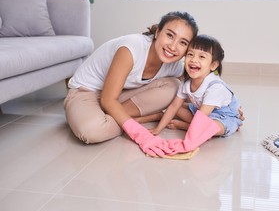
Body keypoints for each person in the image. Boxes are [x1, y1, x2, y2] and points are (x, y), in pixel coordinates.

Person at [64, 11, 199, 147]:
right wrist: (140, 134)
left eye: (183, 43)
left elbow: (190, 92)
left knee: (175, 85)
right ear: (157, 33)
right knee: (92, 131)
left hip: (121, 94)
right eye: (170, 35)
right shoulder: (131, 48)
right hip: (86, 92)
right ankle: (145, 118)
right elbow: (107, 99)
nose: (173, 47)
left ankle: (115, 116)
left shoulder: (174, 65)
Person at [148, 34, 242, 156]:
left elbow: (201, 117)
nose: (193, 60)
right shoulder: (186, 83)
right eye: (190, 54)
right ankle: (200, 130)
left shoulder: (215, 87)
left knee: (213, 126)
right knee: (175, 107)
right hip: (202, 111)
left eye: (202, 57)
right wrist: (158, 129)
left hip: (225, 116)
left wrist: (188, 143)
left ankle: (188, 127)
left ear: (213, 65)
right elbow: (173, 107)